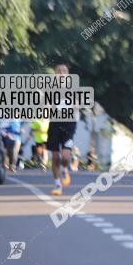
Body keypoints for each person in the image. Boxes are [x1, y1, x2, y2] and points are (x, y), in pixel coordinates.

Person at [48, 63, 77, 196]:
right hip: (54, 124)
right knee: (55, 157)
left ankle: (65, 168)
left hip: (69, 124)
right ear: (55, 74)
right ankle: (58, 185)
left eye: (64, 71)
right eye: (58, 71)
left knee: (65, 156)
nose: (61, 73)